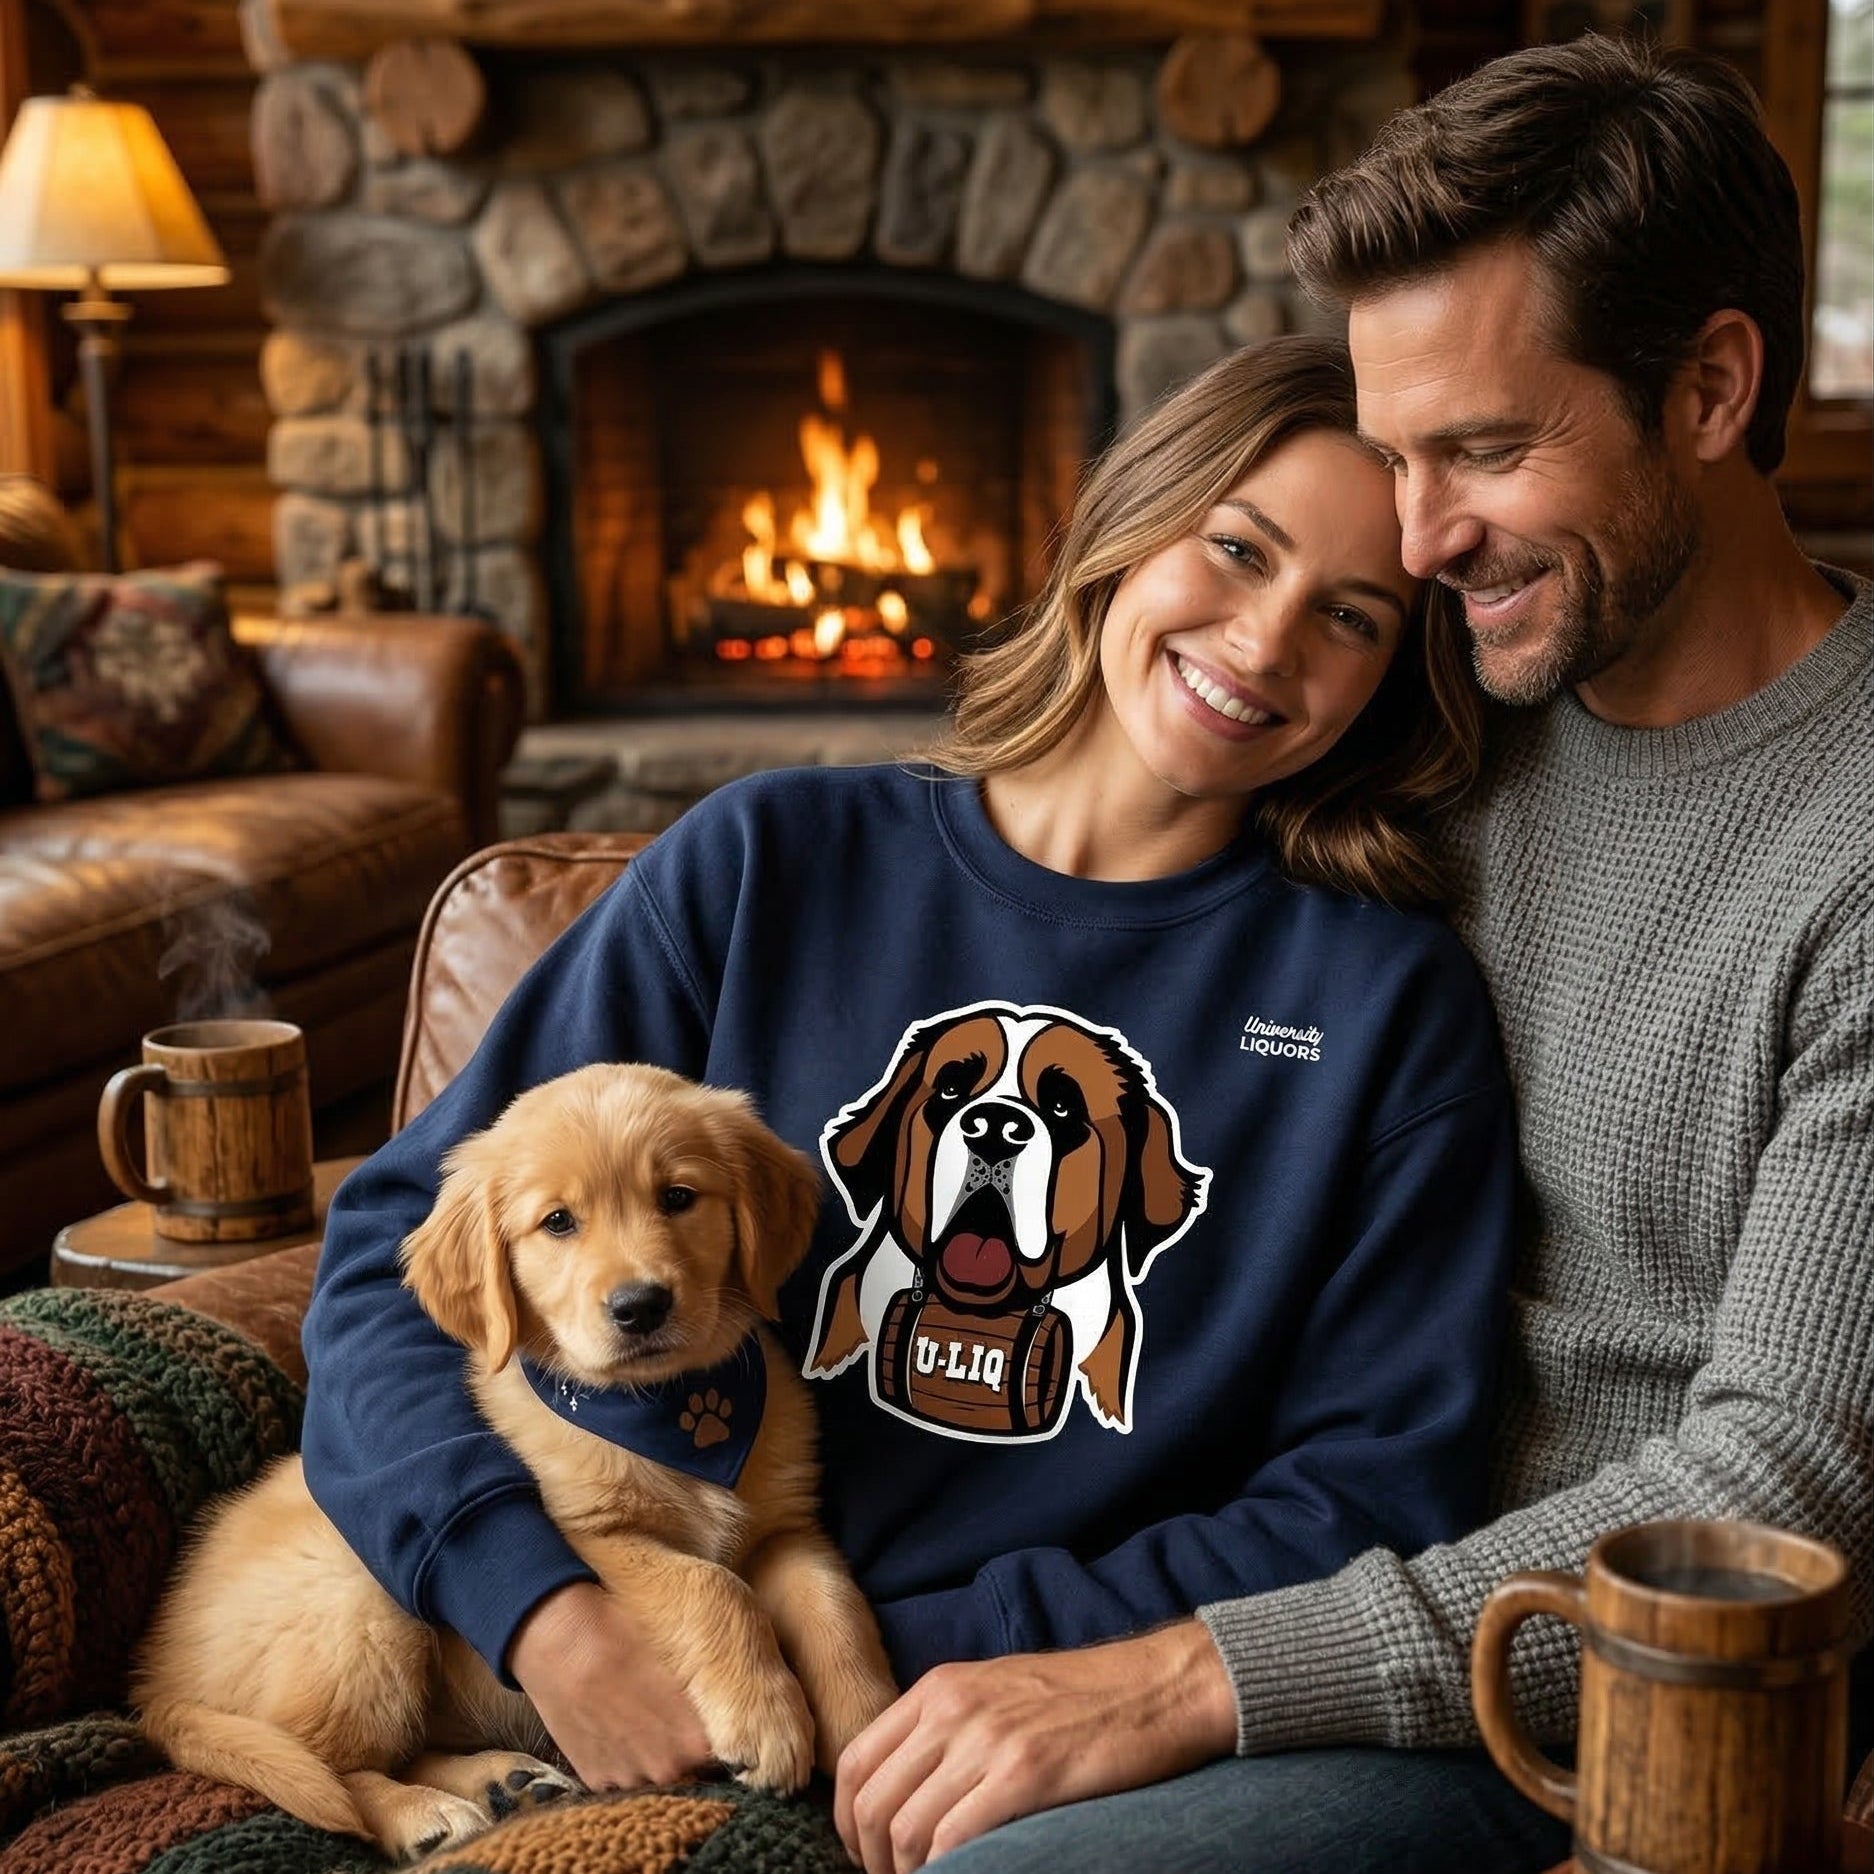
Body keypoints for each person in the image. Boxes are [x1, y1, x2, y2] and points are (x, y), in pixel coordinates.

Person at [828, 30, 1874, 1874]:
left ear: (1711, 388)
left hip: (1601, 1685)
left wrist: (1185, 1675)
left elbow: (1779, 1489)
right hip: (1249, 1548)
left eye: (1482, 449)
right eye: (1395, 456)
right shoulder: (1415, 730)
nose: (1417, 541)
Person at [297, 336, 1521, 1860]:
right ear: (1123, 530)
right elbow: (386, 1260)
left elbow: (1365, 1493)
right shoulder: (767, 863)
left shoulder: (1383, 1007)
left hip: (1034, 1722)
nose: (1265, 642)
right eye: (1234, 548)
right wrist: (543, 1611)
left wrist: (980, 1653)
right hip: (644, 1653)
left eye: (1348, 615)